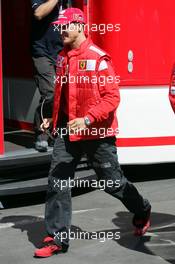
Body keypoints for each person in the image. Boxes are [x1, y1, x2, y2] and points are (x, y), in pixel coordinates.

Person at [34, 7, 151, 258]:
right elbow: (61, 98)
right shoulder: (62, 57)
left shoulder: (98, 58)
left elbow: (112, 98)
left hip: (97, 133)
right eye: (59, 26)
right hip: (67, 133)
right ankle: (57, 238)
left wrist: (87, 119)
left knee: (112, 183)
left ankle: (142, 209)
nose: (61, 30)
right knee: (58, 182)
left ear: (79, 26)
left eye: (65, 26)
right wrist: (51, 120)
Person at [31, 0, 64, 151]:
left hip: (62, 52)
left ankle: (54, 132)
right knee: (50, 92)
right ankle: (41, 133)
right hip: (42, 52)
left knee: (59, 93)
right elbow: (38, 14)